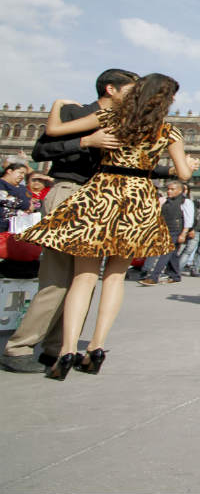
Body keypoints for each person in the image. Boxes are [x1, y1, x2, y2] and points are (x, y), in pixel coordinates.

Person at [21, 73, 195, 379]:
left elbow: (54, 129)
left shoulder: (110, 117)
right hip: (136, 201)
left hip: (101, 196)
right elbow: (182, 174)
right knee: (114, 279)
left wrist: (59, 103)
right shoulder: (169, 132)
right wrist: (189, 166)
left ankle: (66, 351)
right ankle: (96, 349)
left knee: (83, 278)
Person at [0, 69, 148, 374]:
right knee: (57, 276)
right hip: (69, 190)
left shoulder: (123, 125)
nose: (136, 97)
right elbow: (41, 151)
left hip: (98, 199)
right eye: (131, 91)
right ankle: (20, 347)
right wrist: (85, 141)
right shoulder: (75, 113)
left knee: (83, 278)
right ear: (111, 89)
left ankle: (57, 348)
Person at [139, 180, 189, 286]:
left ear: (180, 190)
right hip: (163, 229)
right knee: (173, 254)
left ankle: (154, 277)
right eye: (168, 189)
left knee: (165, 253)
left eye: (172, 189)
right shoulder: (163, 200)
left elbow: (189, 219)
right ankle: (175, 275)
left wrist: (184, 233)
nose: (169, 191)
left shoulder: (185, 202)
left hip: (176, 230)